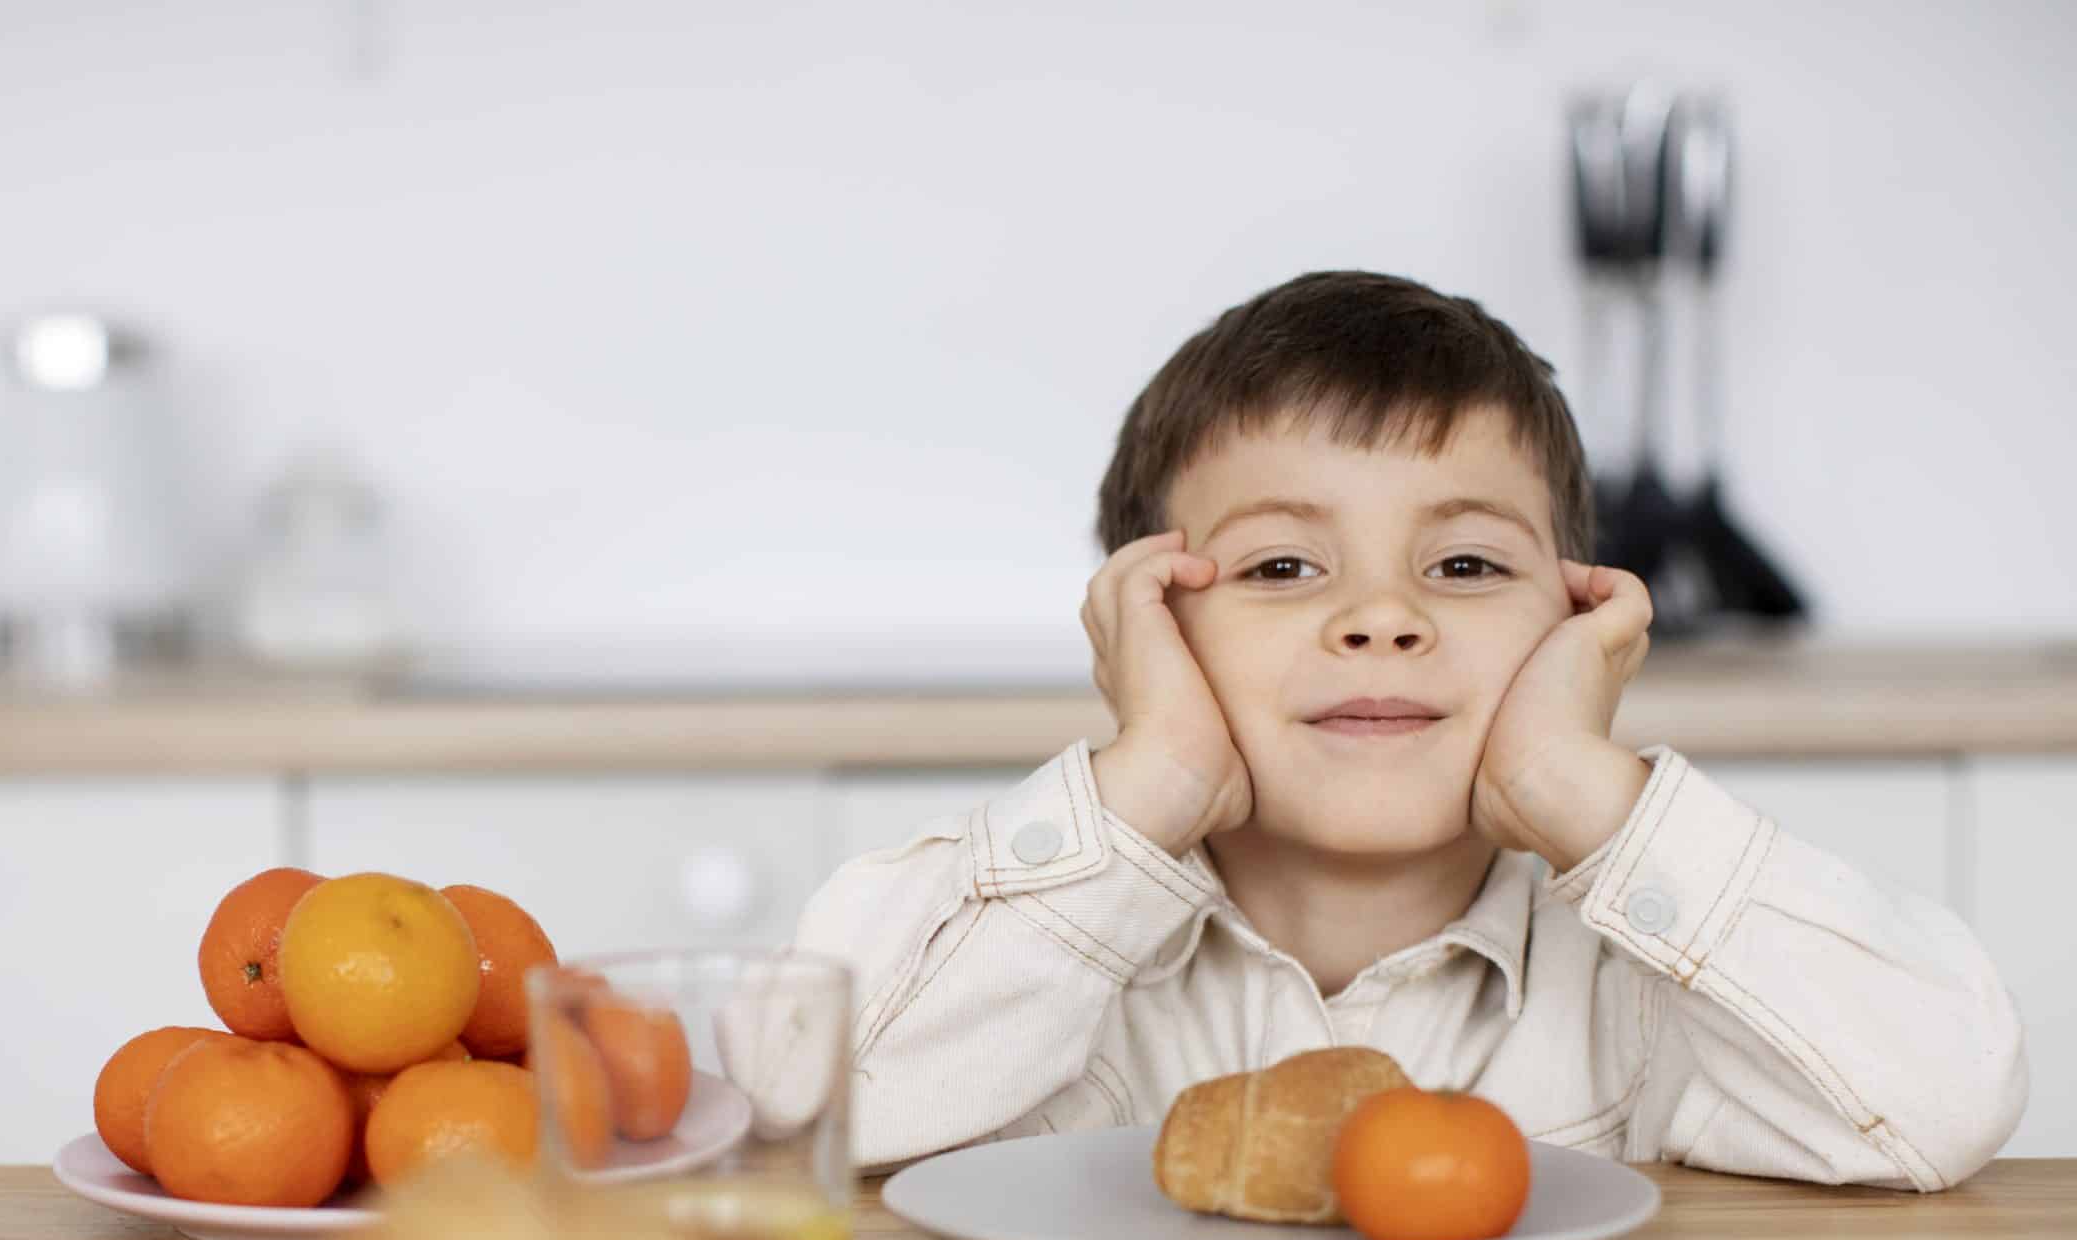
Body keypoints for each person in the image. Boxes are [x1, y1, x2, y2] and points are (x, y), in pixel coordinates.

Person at [792, 270, 2026, 1186]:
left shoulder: (1644, 999)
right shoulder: (1037, 964)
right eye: (1281, 566)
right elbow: (812, 1106)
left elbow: (1945, 1099)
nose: (1382, 617)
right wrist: (1150, 776)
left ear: (1574, 615)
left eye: (1466, 565)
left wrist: (1580, 786)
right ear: (1145, 624)